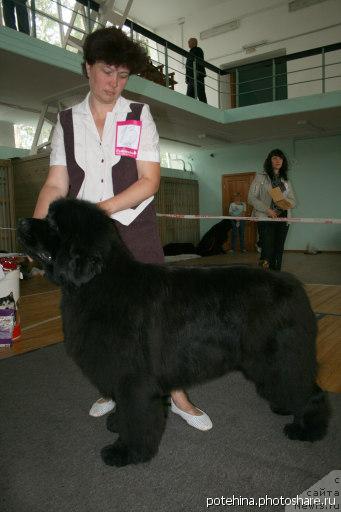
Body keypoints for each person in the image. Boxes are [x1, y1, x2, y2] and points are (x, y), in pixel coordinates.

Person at [33, 27, 212, 431]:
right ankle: (114, 388)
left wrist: (101, 211)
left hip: (135, 230)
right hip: (88, 244)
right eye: (107, 71)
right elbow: (56, 184)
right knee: (103, 324)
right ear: (88, 68)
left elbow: (149, 180)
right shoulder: (66, 121)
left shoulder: (139, 115)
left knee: (157, 319)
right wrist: (39, 232)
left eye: (123, 75)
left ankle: (178, 394)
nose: (115, 83)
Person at [248, 149, 296, 271]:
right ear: (269, 161)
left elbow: (293, 201)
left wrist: (286, 204)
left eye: (280, 158)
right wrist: (267, 210)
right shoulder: (260, 177)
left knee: (279, 250)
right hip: (266, 217)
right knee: (267, 250)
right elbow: (251, 198)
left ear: (283, 161)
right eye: (275, 158)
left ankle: (277, 278)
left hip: (283, 218)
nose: (278, 160)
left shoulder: (285, 180)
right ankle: (263, 279)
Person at [185, 37, 207, 103]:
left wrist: (198, 72)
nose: (188, 44)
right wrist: (187, 77)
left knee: (200, 93)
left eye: (189, 42)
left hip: (197, 76)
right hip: (191, 77)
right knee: (189, 95)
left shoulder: (198, 50)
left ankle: (205, 107)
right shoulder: (191, 52)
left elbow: (199, 62)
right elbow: (188, 66)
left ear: (194, 43)